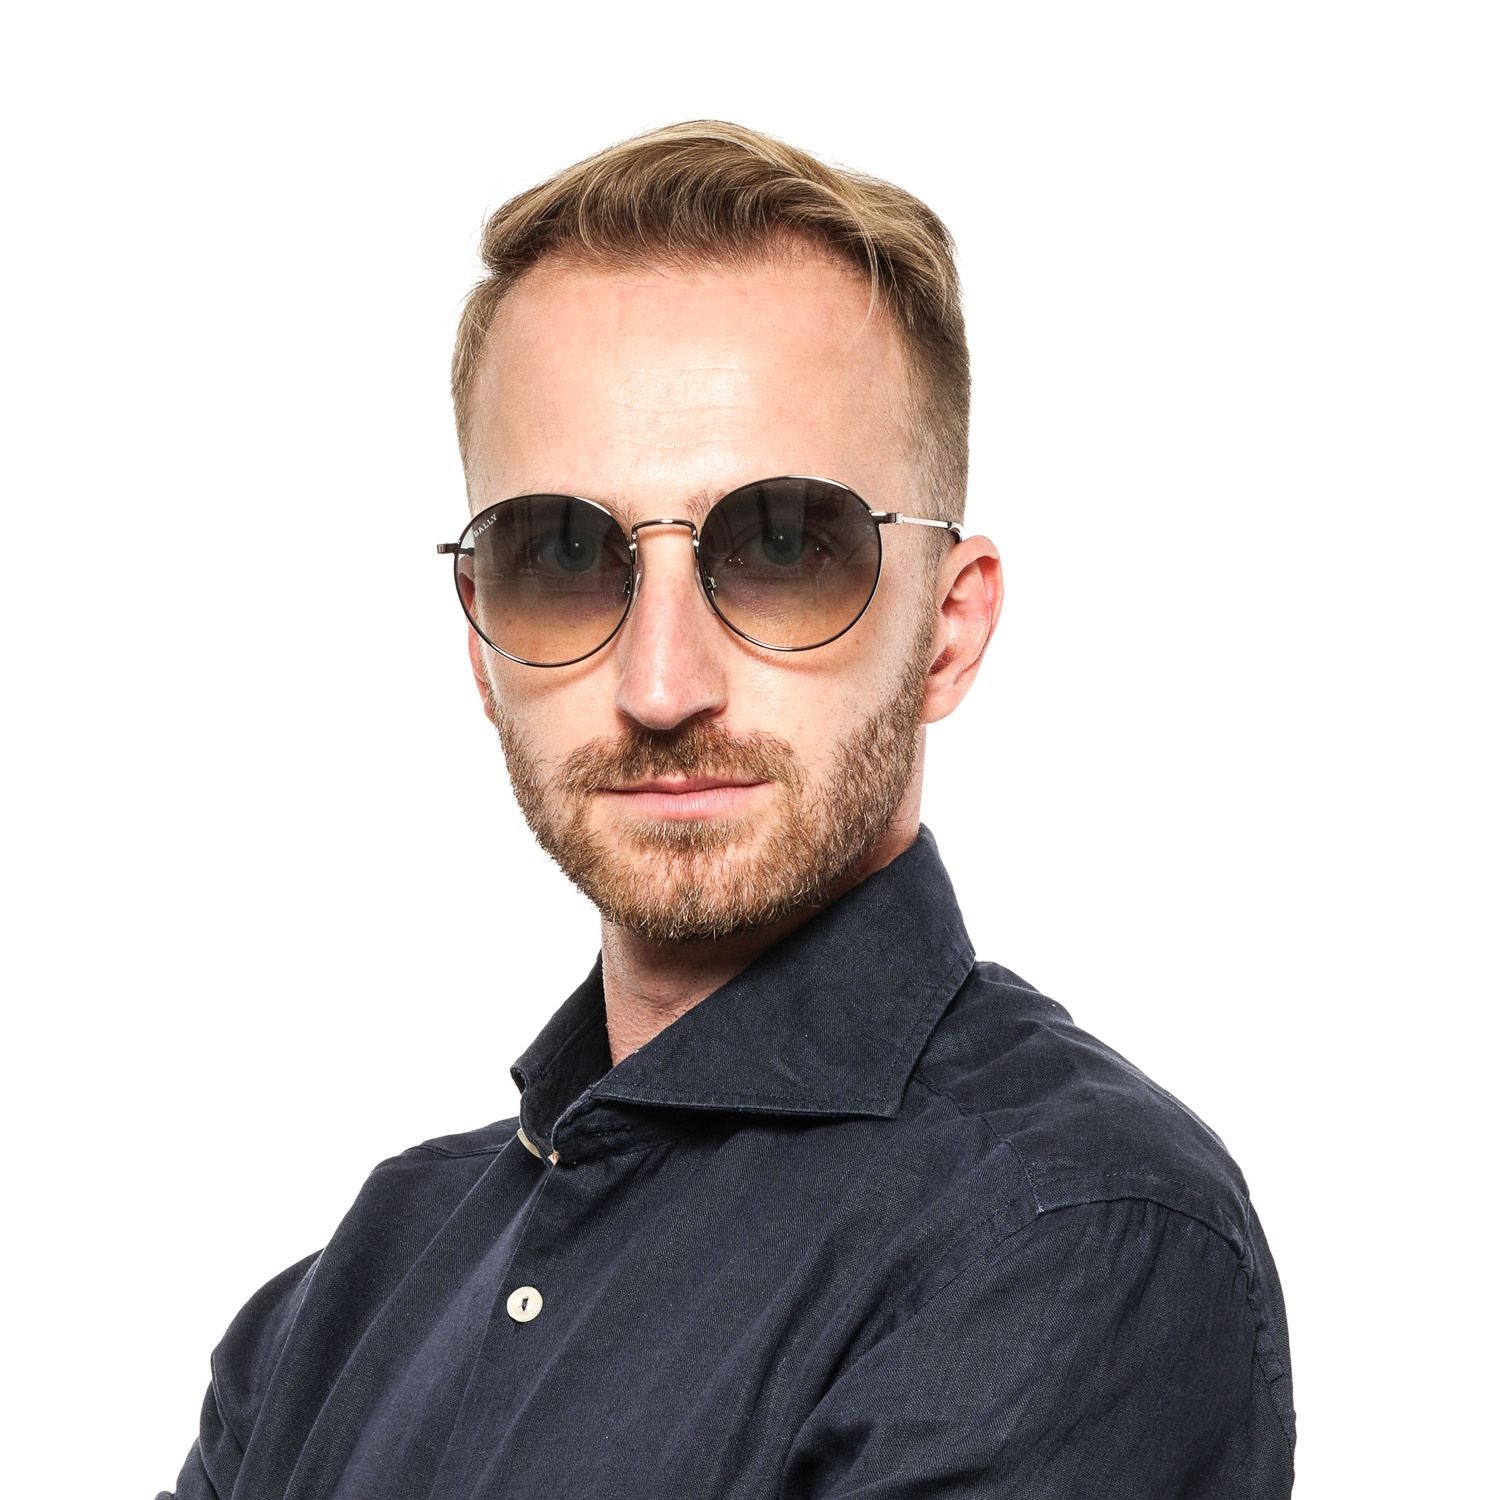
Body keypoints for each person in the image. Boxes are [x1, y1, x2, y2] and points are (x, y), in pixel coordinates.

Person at [159, 119, 1295, 1499]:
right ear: (479, 640)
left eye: (784, 547)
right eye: (561, 555)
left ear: (948, 627)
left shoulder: (1071, 1232)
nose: (660, 684)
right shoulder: (342, 1302)